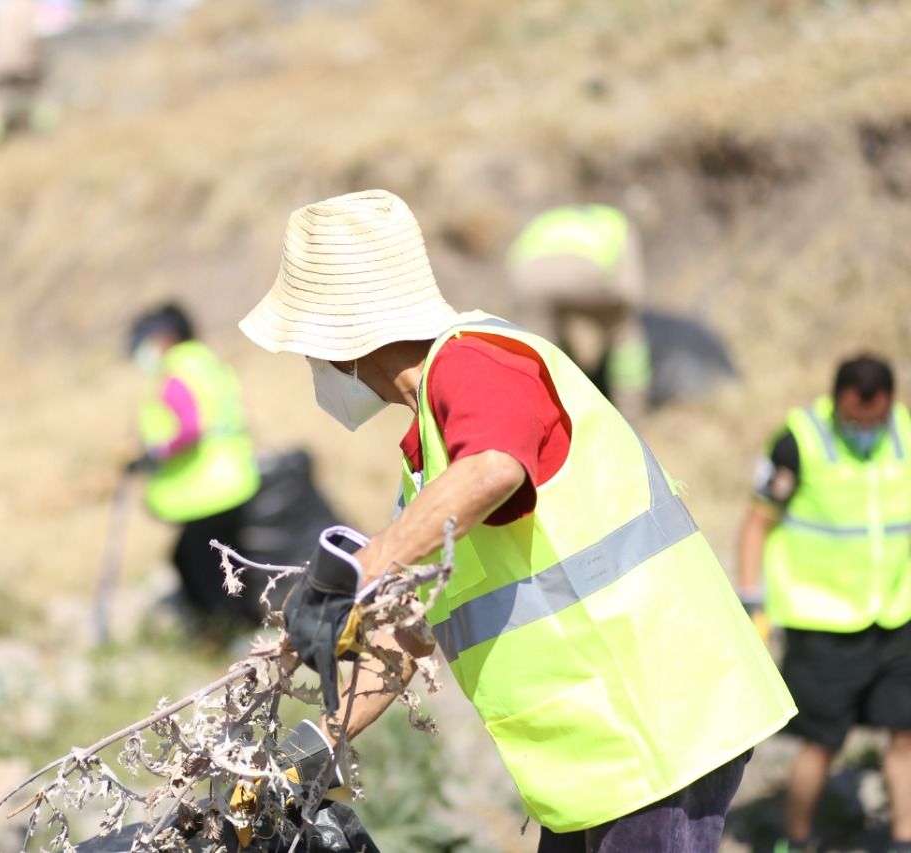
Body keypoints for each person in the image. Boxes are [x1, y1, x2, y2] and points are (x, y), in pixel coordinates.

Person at [238, 189, 796, 852]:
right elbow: (408, 634)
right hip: (596, 754)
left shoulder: (476, 362)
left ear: (337, 339)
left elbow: (497, 467)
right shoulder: (431, 462)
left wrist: (359, 569)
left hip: (654, 725)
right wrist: (314, 743)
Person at [737, 355, 911, 853]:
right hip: (823, 622)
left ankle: (903, 840)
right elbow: (757, 522)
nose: (863, 429)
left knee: (905, 733)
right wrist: (753, 601)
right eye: (853, 419)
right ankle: (797, 839)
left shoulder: (903, 432)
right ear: (837, 402)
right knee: (824, 742)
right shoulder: (799, 440)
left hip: (896, 614)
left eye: (872, 420)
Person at [127, 304, 264, 632]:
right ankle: (240, 627)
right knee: (225, 563)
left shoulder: (177, 371)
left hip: (206, 489)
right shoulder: (206, 363)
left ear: (165, 338)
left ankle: (227, 633)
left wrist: (153, 454)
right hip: (235, 480)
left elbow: (189, 428)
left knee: (199, 566)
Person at [505, 204, 651, 420]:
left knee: (538, 346)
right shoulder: (615, 223)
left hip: (529, 277)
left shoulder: (547, 220)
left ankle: (535, 414)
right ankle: (632, 414)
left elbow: (513, 257)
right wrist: (615, 312)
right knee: (623, 329)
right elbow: (631, 291)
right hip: (587, 273)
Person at [0, 0, 53, 151]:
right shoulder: (30, 6)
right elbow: (32, 35)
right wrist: (34, 61)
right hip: (21, 59)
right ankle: (45, 133)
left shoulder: (5, 6)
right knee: (43, 94)